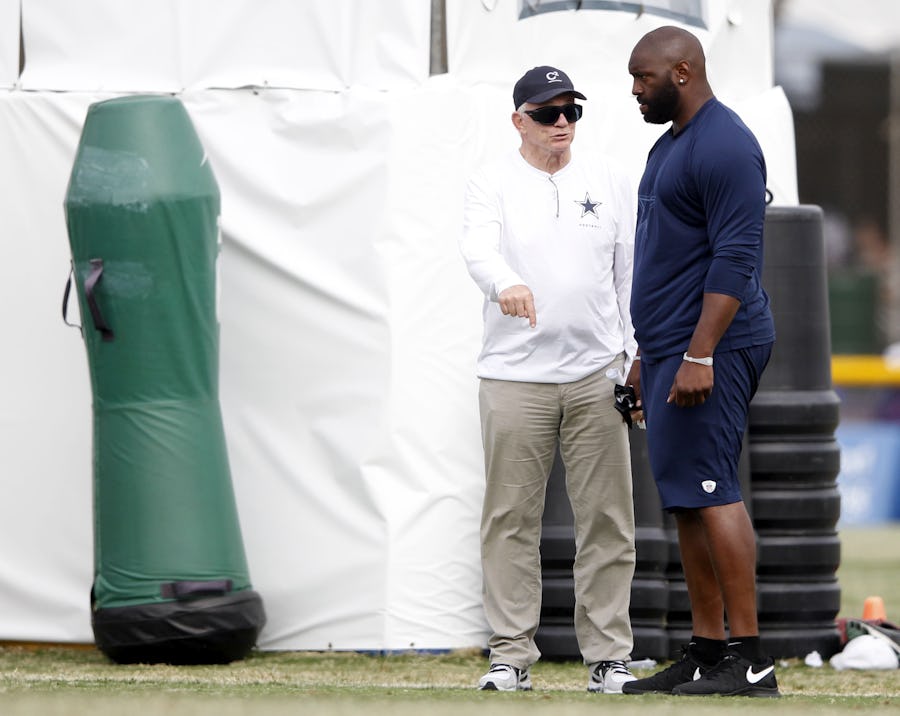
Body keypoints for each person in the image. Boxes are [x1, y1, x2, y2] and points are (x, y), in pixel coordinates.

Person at [460, 65, 638, 693]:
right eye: (547, 112)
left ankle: (608, 658)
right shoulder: (490, 182)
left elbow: (628, 275)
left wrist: (635, 356)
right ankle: (510, 656)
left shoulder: (611, 178)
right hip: (513, 377)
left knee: (608, 520)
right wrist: (504, 283)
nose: (562, 122)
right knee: (510, 518)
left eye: (571, 111)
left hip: (596, 373)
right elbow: (477, 248)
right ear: (519, 121)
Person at [621, 26, 780, 697]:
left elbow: (735, 260)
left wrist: (699, 353)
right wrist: (646, 354)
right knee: (687, 500)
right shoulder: (668, 146)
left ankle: (750, 661)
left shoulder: (727, 145)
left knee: (713, 491)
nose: (635, 90)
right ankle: (707, 651)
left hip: (714, 348)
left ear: (682, 72)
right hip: (669, 349)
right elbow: (667, 259)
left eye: (644, 78)